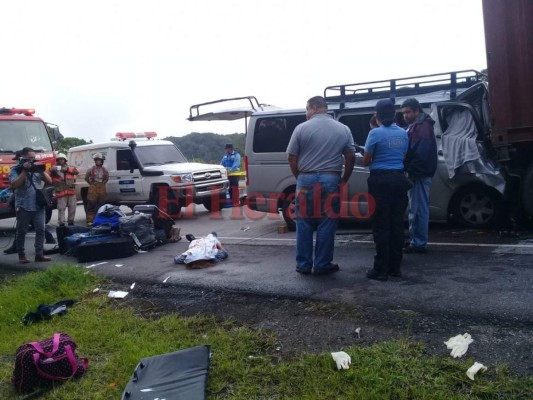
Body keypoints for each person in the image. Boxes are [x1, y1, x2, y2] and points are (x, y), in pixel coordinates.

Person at [287, 96, 355, 275]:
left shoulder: (301, 128)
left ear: (314, 107)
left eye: (306, 109)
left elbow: (292, 157)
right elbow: (350, 156)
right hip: (331, 179)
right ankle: (322, 264)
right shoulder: (343, 129)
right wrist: (344, 179)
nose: (306, 113)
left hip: (305, 179)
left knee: (304, 222)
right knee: (327, 222)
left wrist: (300, 176)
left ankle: (303, 265)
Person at [362, 99, 411, 280]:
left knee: (381, 226)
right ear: (394, 114)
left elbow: (366, 161)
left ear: (377, 116)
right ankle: (395, 268)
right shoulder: (404, 133)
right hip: (399, 179)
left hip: (380, 181)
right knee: (396, 224)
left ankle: (380, 269)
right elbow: (404, 156)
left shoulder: (375, 133)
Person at [401, 98, 438, 254]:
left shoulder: (421, 127)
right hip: (418, 172)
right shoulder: (418, 126)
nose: (405, 115)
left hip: (419, 174)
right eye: (403, 113)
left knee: (418, 208)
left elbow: (420, 154)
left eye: (408, 112)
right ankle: (416, 239)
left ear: (417, 111)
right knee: (415, 208)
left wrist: (410, 170)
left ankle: (419, 243)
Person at [9, 147, 53, 263]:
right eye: (29, 158)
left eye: (34, 158)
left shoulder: (37, 168)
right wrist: (24, 171)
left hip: (38, 204)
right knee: (22, 231)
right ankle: (21, 255)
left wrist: (41, 171)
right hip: (23, 204)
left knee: (41, 229)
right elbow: (14, 184)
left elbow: (50, 181)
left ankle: (39, 254)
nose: (32, 160)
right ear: (22, 158)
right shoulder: (15, 170)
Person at [48, 153, 79, 226]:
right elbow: (47, 173)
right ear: (57, 160)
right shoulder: (54, 169)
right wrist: (51, 170)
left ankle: (71, 222)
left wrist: (67, 169)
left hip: (71, 192)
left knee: (72, 208)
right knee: (61, 209)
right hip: (61, 193)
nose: (61, 161)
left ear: (65, 160)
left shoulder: (70, 167)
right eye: (59, 159)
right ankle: (61, 224)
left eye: (62, 159)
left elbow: (77, 171)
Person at [85, 152, 109, 226]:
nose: (97, 161)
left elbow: (107, 178)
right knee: (91, 204)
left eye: (99, 160)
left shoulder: (105, 170)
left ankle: (100, 220)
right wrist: (92, 184)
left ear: (102, 161)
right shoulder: (90, 169)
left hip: (102, 188)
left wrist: (102, 184)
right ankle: (90, 221)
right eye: (96, 160)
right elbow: (86, 178)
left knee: (101, 205)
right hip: (93, 188)